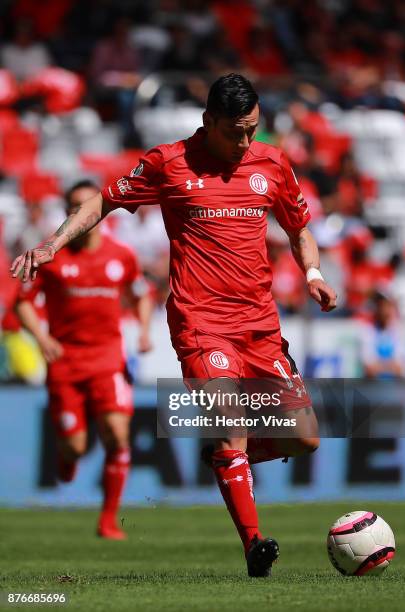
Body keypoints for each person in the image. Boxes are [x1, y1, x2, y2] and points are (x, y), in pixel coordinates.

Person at [11, 74, 337, 575]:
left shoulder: (271, 164)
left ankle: (228, 463)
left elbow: (300, 229)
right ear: (208, 122)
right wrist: (54, 243)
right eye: (235, 131)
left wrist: (312, 273)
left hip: (261, 326)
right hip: (201, 322)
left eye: (252, 129)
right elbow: (102, 200)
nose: (245, 141)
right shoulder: (168, 163)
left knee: (304, 437)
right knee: (233, 426)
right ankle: (253, 544)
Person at [14, 179, 153, 540]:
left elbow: (141, 294)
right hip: (66, 360)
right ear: (65, 212)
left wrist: (143, 331)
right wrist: (42, 337)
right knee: (75, 446)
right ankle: (68, 455)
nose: (80, 212)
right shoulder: (50, 256)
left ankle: (108, 521)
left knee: (117, 435)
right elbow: (22, 302)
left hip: (108, 358)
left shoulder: (121, 256)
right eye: (73, 206)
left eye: (85, 205)